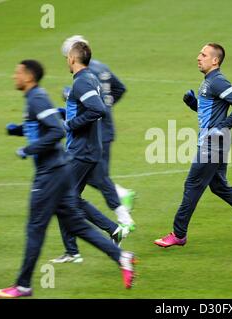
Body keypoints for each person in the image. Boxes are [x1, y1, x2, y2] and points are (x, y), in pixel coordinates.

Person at [0, 60, 135, 298]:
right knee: (76, 224)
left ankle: (23, 285)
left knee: (35, 228)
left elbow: (57, 131)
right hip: (60, 171)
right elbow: (45, 124)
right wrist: (17, 130)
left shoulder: (36, 97)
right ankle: (121, 256)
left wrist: (27, 150)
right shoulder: (35, 97)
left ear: (28, 77)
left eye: (17, 73)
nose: (13, 77)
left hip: (49, 175)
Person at [154, 43, 232, 248]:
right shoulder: (209, 82)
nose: (198, 57)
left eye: (204, 54)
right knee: (218, 186)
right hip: (215, 143)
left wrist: (223, 126)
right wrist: (193, 104)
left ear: (215, 60)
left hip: (212, 144)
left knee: (192, 186)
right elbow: (210, 112)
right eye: (199, 53)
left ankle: (179, 234)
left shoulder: (217, 81)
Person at [50, 41, 128, 264]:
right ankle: (74, 250)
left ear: (73, 59)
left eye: (67, 57)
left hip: (81, 151)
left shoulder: (82, 81)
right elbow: (88, 108)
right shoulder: (89, 78)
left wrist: (70, 125)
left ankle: (109, 231)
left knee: (64, 198)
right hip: (89, 147)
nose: (67, 61)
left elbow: (97, 109)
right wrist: (63, 113)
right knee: (69, 198)